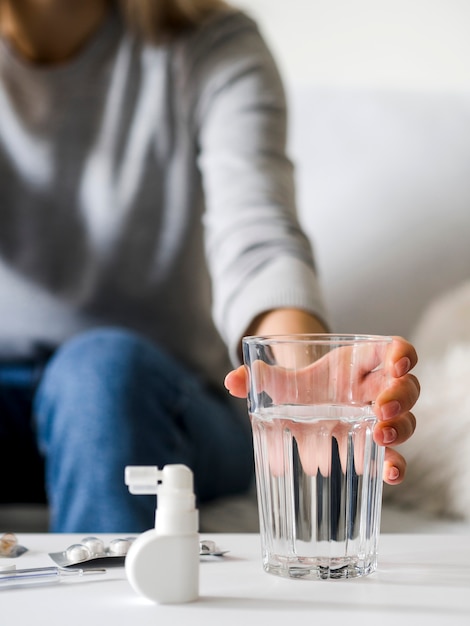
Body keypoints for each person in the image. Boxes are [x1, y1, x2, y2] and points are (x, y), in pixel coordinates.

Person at [0, 0, 419, 533]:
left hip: (154, 401)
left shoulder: (210, 45)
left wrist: (302, 377)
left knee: (101, 373)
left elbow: (259, 238)